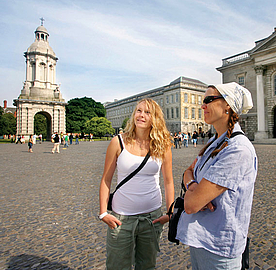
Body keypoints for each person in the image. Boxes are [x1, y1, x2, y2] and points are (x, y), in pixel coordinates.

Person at [176, 82, 258, 270]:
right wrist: (193, 187)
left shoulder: (238, 149)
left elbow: (191, 205)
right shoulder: (215, 141)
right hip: (201, 240)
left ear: (227, 105)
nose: (202, 105)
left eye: (208, 100)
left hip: (219, 248)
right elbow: (187, 172)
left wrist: (194, 192)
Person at [99, 98, 174, 270]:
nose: (141, 115)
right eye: (138, 111)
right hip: (121, 219)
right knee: (117, 266)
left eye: (147, 112)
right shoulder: (118, 142)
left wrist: (170, 212)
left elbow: (168, 181)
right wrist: (103, 213)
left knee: (147, 266)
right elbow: (106, 179)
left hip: (152, 218)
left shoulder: (163, 145)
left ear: (155, 118)